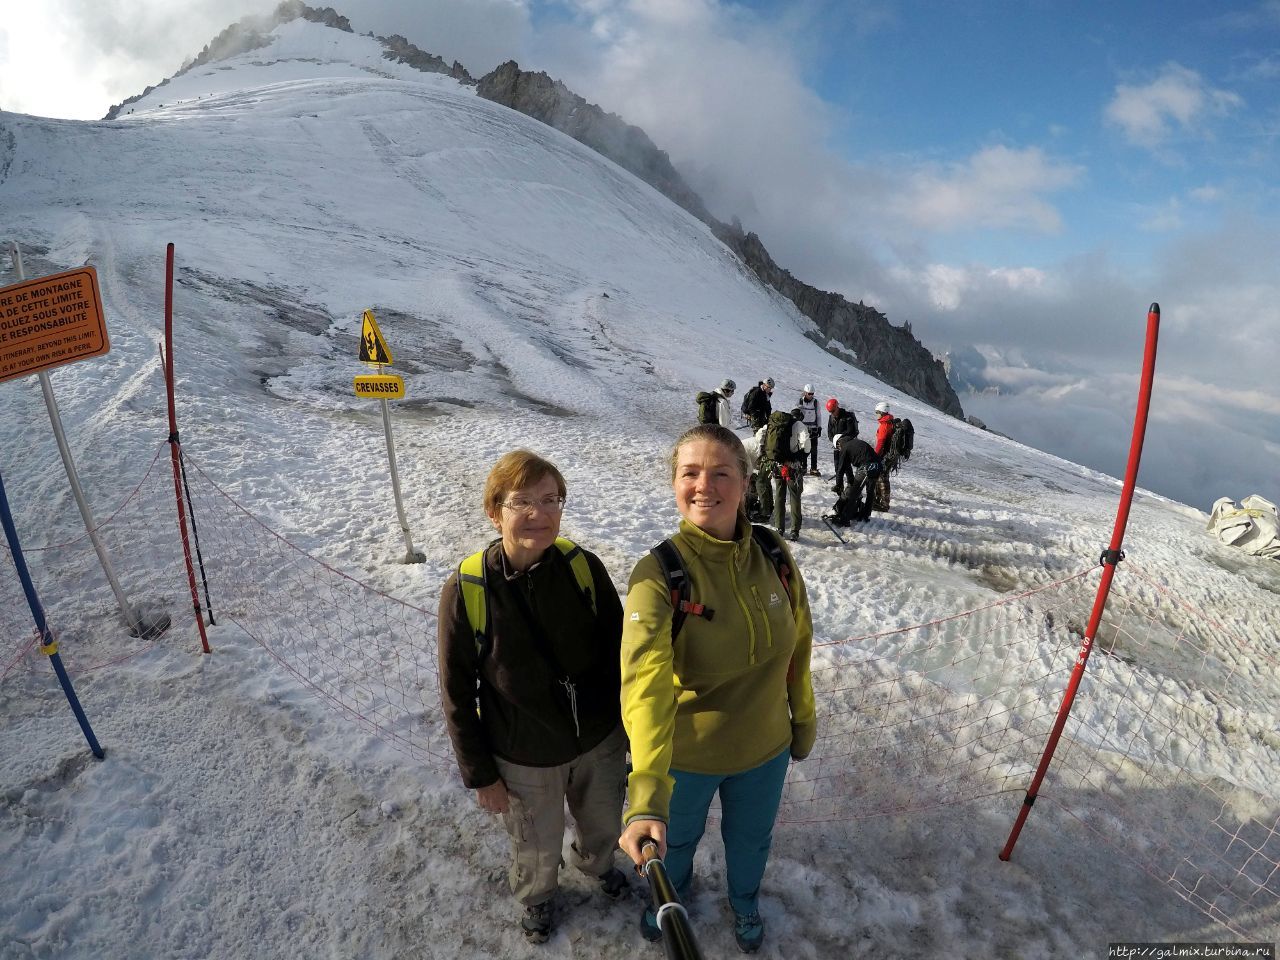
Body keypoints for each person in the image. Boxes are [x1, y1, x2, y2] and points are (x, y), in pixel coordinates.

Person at [618, 424, 816, 954]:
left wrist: (803, 718)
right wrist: (646, 795)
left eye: (721, 473)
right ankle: (669, 897)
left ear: (745, 483)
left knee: (751, 841)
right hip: (686, 756)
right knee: (674, 843)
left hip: (765, 749)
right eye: (690, 473)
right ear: (675, 483)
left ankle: (744, 900)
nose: (705, 485)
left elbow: (798, 644)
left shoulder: (773, 554)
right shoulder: (659, 575)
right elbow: (645, 689)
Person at [438, 450, 629, 944]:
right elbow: (457, 692)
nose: (539, 514)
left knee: (603, 820)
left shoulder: (583, 568)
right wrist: (481, 775)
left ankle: (596, 863)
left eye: (551, 500)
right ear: (493, 510)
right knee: (534, 841)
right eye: (522, 501)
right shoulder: (468, 589)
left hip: (598, 740)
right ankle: (538, 896)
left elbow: (619, 655)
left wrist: (629, 733)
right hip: (524, 754)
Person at [768, 407, 811, 542]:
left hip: (778, 464)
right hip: (792, 466)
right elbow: (806, 444)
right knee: (795, 496)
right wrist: (800, 457)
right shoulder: (799, 425)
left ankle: (779, 528)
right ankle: (794, 530)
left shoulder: (777, 423)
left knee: (780, 495)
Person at [823, 436, 881, 526]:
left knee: (854, 494)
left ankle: (844, 520)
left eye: (837, 447)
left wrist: (839, 485)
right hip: (878, 466)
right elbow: (847, 468)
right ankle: (866, 514)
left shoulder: (845, 448)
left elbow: (840, 469)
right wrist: (851, 481)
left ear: (839, 443)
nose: (839, 449)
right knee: (870, 492)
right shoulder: (855, 442)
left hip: (867, 468)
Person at [825, 399, 859, 492]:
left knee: (847, 465)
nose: (832, 413)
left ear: (837, 407)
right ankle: (839, 485)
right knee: (837, 466)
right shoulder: (831, 418)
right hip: (837, 445)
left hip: (846, 445)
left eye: (833, 411)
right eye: (830, 411)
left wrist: (843, 439)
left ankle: (851, 484)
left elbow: (852, 432)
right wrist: (834, 441)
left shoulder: (847, 416)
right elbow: (829, 432)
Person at [797, 385, 821, 476]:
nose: (811, 395)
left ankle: (813, 468)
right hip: (803, 429)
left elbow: (818, 415)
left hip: (813, 428)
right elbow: (796, 412)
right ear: (805, 392)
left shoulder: (816, 402)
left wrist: (819, 427)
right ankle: (803, 467)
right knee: (803, 448)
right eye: (809, 394)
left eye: (812, 394)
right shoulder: (800, 401)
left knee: (814, 449)